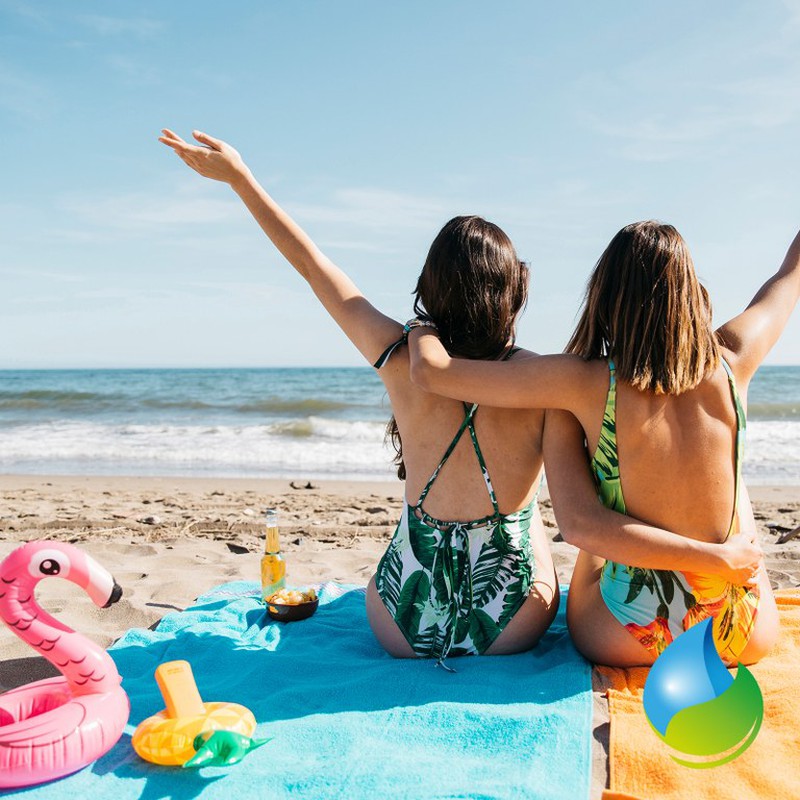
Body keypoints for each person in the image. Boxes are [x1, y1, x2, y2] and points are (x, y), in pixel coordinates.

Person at [158, 133, 761, 668]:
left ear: (428, 286)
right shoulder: (545, 384)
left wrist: (241, 179)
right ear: (516, 290)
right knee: (542, 536)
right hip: (512, 625)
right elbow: (582, 517)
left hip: (401, 624)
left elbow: (315, 269)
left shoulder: (399, 357)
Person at [408, 219, 798, 666]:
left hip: (628, 635)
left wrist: (423, 322)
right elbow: (789, 275)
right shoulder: (736, 358)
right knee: (736, 484)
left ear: (605, 294)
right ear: (691, 291)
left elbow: (432, 373)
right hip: (741, 633)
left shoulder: (582, 381)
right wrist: (719, 558)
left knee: (594, 506)